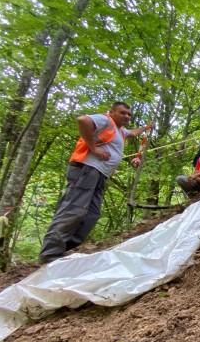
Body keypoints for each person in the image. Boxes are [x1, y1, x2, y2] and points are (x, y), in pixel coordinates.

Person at [39, 102, 152, 263]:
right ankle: (50, 254)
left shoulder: (120, 131)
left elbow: (133, 133)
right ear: (112, 112)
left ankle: (66, 251)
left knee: (92, 214)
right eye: (123, 112)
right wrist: (93, 148)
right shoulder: (105, 121)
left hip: (100, 175)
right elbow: (83, 120)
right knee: (74, 209)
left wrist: (146, 128)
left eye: (129, 114)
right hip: (86, 170)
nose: (127, 116)